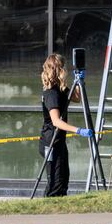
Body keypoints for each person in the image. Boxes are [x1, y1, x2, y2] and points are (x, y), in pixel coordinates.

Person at [38, 53, 93, 197]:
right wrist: (78, 130)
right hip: (51, 142)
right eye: (63, 67)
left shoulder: (60, 89)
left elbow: (76, 99)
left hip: (59, 141)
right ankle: (48, 210)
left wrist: (79, 82)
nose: (66, 70)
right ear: (58, 69)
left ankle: (58, 209)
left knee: (63, 179)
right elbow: (56, 121)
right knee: (55, 183)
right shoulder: (51, 93)